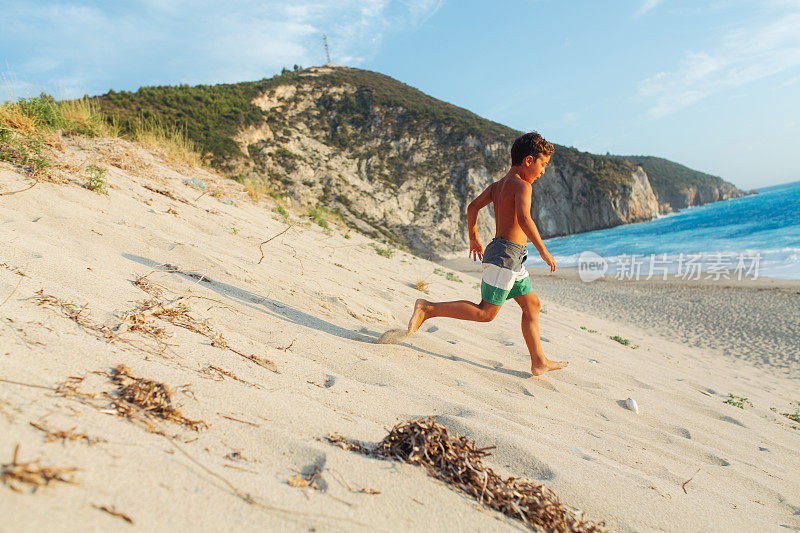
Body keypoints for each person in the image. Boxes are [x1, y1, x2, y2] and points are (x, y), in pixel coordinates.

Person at [406, 132, 568, 376]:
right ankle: (428, 308)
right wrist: (544, 251)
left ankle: (539, 361)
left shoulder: (497, 186)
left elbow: (472, 207)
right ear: (528, 161)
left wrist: (474, 238)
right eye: (542, 164)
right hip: (505, 257)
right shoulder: (523, 186)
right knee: (486, 313)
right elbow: (525, 219)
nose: (543, 171)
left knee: (532, 305)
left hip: (510, 257)